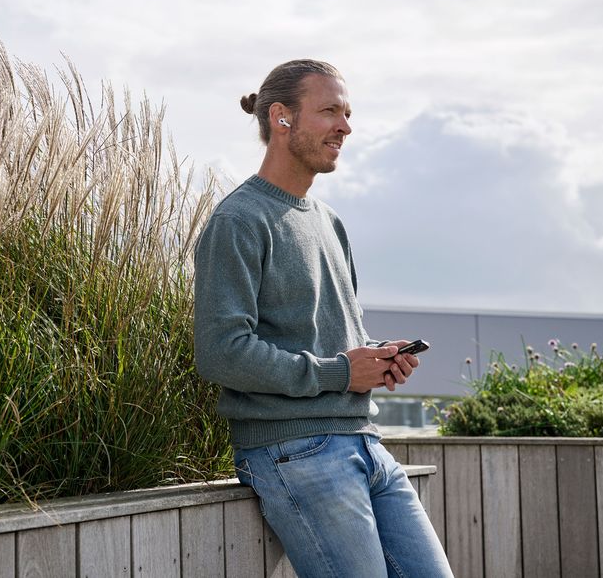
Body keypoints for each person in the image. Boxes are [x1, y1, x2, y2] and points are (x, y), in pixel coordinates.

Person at [193, 59, 453, 577]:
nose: (346, 127)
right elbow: (221, 351)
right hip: (296, 452)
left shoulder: (329, 222)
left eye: (348, 113)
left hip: (365, 443)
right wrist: (340, 371)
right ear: (282, 117)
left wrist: (377, 359)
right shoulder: (237, 221)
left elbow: (333, 337)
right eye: (330, 111)